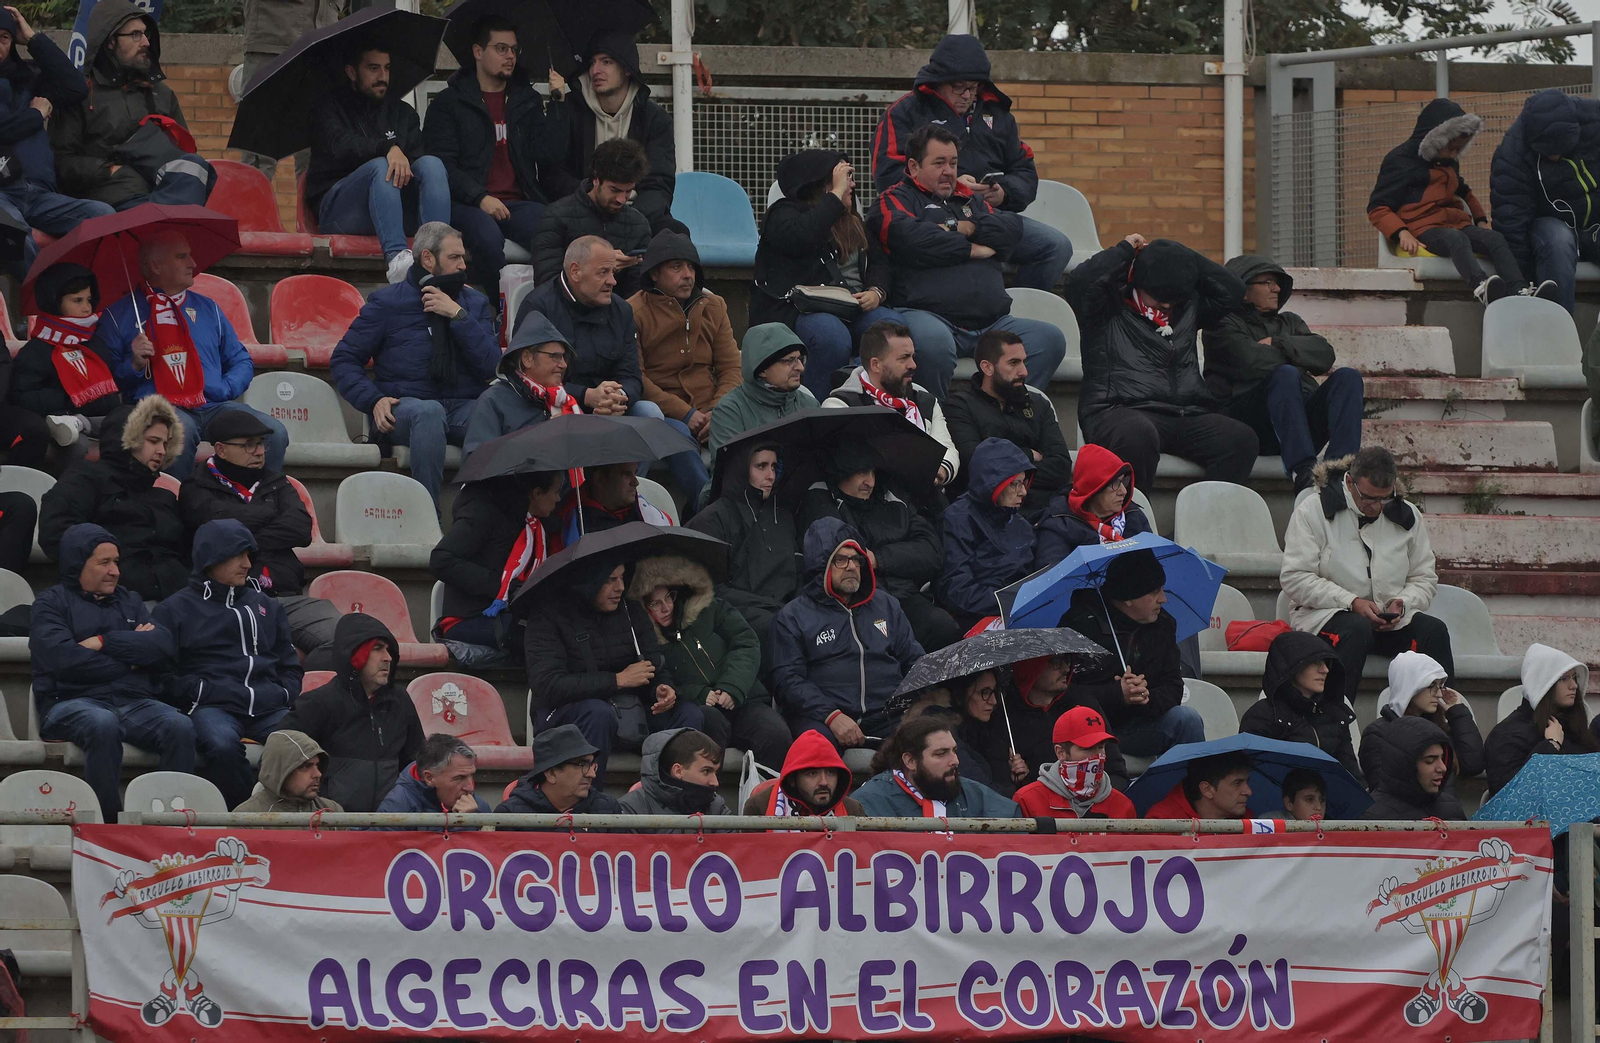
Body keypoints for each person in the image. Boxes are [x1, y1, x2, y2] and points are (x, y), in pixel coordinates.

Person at [869, 125, 1066, 401]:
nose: (948, 171)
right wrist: (971, 248)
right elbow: (911, 239)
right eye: (938, 163)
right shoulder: (893, 200)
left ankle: (1005, 415)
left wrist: (963, 228)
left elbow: (1009, 229)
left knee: (1047, 339)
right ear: (913, 167)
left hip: (991, 322)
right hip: (929, 316)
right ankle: (932, 422)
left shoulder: (969, 199)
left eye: (953, 163)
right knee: (932, 344)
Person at [871, 34, 1069, 292]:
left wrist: (1003, 192)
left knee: (1056, 246)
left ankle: (1018, 313)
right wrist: (951, 187)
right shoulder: (904, 112)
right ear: (937, 83)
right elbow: (887, 176)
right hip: (928, 216)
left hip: (990, 216)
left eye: (973, 87)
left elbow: (1025, 171)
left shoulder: (998, 115)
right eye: (958, 87)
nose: (966, 95)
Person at [330, 221, 500, 509]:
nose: (463, 265)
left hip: (460, 405)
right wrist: (374, 400)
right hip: (405, 408)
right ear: (428, 258)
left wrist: (457, 316)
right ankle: (426, 518)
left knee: (494, 413)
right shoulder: (387, 303)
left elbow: (492, 367)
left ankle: (475, 518)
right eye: (454, 257)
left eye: (463, 257)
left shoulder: (474, 303)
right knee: (429, 412)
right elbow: (344, 360)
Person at [93, 231, 289, 481]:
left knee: (275, 433)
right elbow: (105, 382)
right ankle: (177, 507)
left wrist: (223, 388)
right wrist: (134, 363)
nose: (193, 264)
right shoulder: (118, 315)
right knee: (179, 432)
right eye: (182, 257)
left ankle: (261, 502)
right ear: (155, 266)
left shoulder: (209, 309)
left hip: (213, 404)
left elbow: (241, 361)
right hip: (160, 406)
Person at [517, 235, 705, 495]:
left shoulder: (621, 310)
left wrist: (619, 395)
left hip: (614, 409)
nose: (613, 281)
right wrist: (587, 396)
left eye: (614, 272)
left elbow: (631, 374)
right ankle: (604, 500)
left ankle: (635, 500)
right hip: (558, 411)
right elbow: (528, 378)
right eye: (603, 273)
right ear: (575, 271)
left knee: (662, 423)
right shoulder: (539, 307)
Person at [1069, 234, 1257, 492]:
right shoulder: (1106, 303)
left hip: (1184, 413)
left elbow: (1233, 290)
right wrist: (1125, 250)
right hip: (1117, 409)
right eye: (1158, 296)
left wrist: (1181, 255)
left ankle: (1196, 524)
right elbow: (1078, 282)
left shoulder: (1188, 307)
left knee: (1241, 439)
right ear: (1139, 280)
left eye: (1174, 298)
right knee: (1137, 435)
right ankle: (1136, 522)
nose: (1167, 304)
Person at [29, 522, 191, 818]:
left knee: (179, 726)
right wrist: (130, 661)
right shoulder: (50, 604)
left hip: (132, 700)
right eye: (104, 562)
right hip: (68, 701)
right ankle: (109, 824)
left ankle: (168, 823)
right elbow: (65, 661)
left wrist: (103, 642)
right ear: (79, 564)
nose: (115, 571)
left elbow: (162, 645)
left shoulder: (129, 600)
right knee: (102, 724)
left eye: (116, 562)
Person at [1281, 447, 1451, 708]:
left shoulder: (1407, 515)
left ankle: (1444, 723)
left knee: (1434, 631)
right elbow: (1295, 578)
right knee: (1356, 629)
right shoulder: (1312, 511)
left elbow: (1425, 579)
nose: (1377, 507)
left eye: (1386, 498)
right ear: (1349, 482)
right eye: (1369, 498)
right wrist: (1352, 602)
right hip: (1325, 617)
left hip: (1388, 622)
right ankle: (1335, 720)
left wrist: (1402, 602)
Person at [152, 519, 301, 808]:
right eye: (238, 556)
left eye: (249, 556)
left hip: (268, 705)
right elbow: (162, 676)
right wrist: (200, 692)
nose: (247, 564)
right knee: (221, 747)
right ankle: (243, 820)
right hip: (213, 707)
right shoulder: (174, 610)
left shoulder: (267, 606)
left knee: (305, 748)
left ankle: (297, 825)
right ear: (211, 558)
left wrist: (283, 693)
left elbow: (290, 665)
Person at [524, 555, 705, 780]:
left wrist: (662, 688)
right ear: (589, 581)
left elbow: (655, 666)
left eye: (621, 577)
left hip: (630, 712)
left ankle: (671, 799)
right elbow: (548, 685)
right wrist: (617, 680)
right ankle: (587, 804)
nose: (620, 587)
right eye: (610, 579)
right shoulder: (549, 616)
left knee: (688, 713)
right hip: (566, 716)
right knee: (597, 712)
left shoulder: (631, 612)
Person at [422, 17, 564, 297]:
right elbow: (443, 166)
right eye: (501, 48)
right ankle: (495, 308)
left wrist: (558, 104)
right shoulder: (448, 104)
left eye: (513, 49)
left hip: (517, 201)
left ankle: (547, 307)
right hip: (468, 203)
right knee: (487, 239)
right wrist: (479, 197)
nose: (510, 56)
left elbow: (549, 154)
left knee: (553, 229)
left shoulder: (527, 100)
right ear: (478, 51)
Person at [179, 411, 339, 653]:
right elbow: (215, 532)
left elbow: (300, 529)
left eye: (261, 444)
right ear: (221, 450)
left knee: (346, 641)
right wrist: (268, 514)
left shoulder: (278, 482)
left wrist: (243, 539)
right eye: (248, 445)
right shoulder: (195, 487)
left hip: (285, 597)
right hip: (225, 601)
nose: (259, 451)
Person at [1371, 99, 1552, 306]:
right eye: (1451, 149)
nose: (1455, 155)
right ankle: (1481, 286)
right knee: (1456, 239)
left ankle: (1519, 289)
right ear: (1434, 140)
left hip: (1453, 223)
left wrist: (1481, 219)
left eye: (1459, 149)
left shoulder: (1448, 162)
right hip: (1422, 227)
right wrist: (1401, 232)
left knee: (1494, 239)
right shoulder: (1400, 162)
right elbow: (1378, 208)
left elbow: (1464, 193)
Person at [1205, 256, 1364, 491]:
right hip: (1251, 427)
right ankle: (1303, 472)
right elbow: (1250, 360)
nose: (1276, 288)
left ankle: (1338, 472)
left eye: (1277, 282)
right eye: (1267, 282)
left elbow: (1324, 355)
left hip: (1298, 421)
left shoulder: (1290, 322)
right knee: (1285, 374)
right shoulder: (1221, 324)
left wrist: (1278, 343)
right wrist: (1297, 357)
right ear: (1244, 290)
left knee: (1349, 378)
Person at [753, 150, 904, 398]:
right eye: (845, 178)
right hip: (803, 309)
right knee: (831, 336)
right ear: (823, 184)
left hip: (855, 306)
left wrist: (876, 292)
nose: (852, 185)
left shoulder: (852, 219)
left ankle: (869, 400)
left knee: (893, 331)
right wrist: (834, 197)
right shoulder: (783, 214)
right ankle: (817, 407)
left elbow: (879, 262)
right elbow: (802, 237)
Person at [767, 517, 924, 749]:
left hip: (887, 717)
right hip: (824, 717)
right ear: (820, 567)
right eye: (840, 560)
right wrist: (832, 716)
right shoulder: (793, 616)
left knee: (937, 738)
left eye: (856, 559)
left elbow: (915, 662)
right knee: (815, 745)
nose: (851, 566)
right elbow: (788, 681)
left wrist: (917, 705)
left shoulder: (887, 605)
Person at [630, 554, 792, 769]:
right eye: (655, 604)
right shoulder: (646, 641)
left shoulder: (710, 609)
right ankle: (711, 798)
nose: (666, 608)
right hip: (701, 709)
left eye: (669, 597)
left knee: (775, 735)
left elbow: (745, 642)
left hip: (744, 698)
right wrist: (700, 694)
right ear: (644, 608)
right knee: (707, 728)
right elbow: (661, 682)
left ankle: (770, 798)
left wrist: (732, 687)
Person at [306, 42, 450, 283]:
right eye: (373, 68)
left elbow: (416, 159)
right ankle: (398, 263)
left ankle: (439, 255)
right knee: (380, 167)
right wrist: (387, 149)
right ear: (352, 72)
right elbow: (342, 145)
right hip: (341, 211)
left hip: (393, 208)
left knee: (432, 164)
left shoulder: (402, 113)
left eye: (387, 68)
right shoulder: (328, 109)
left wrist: (400, 157)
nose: (383, 77)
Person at [51, 0, 214, 211]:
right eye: (135, 35)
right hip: (110, 198)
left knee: (195, 165)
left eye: (146, 34)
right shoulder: (79, 93)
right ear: (110, 41)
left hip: (168, 196)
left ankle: (161, 223)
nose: (146, 42)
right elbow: (62, 161)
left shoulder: (163, 94)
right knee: (170, 230)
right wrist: (109, 170)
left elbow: (181, 153)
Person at [800, 442, 958, 652]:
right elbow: (840, 561)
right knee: (886, 643)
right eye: (863, 472)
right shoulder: (821, 500)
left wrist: (878, 558)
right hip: (859, 603)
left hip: (906, 596)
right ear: (842, 472)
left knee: (944, 628)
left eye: (874, 473)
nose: (870, 482)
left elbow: (932, 552)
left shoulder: (893, 497)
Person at [0, 6, 113, 276]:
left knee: (104, 215)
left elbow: (74, 87)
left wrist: (33, 39)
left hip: (40, 194)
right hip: (2, 194)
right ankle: (46, 303)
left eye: (4, 37)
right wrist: (35, 115)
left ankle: (87, 296)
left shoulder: (28, 78)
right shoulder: (34, 103)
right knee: (12, 230)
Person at [39, 398, 189, 602]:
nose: (162, 451)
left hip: (175, 601)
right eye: (153, 441)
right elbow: (57, 533)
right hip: (109, 602)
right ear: (128, 439)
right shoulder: (85, 479)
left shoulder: (165, 496)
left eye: (165, 443)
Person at [1063, 549, 1206, 759]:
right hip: (1091, 732)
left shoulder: (1163, 625)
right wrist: (1117, 694)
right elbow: (1063, 693)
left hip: (1141, 725)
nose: (1163, 599)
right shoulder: (1079, 626)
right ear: (1129, 598)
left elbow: (1173, 685)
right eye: (1154, 591)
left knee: (1187, 718)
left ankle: (1194, 789)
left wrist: (1146, 697)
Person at [277, 612, 425, 812]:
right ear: (355, 655)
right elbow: (279, 761)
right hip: (333, 825)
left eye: (389, 650)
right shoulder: (317, 703)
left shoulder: (401, 701)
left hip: (390, 825)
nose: (388, 658)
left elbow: (418, 765)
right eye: (377, 649)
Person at [544, 30, 676, 235]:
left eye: (606, 62)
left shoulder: (654, 118)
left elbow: (659, 185)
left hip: (637, 213)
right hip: (583, 210)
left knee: (676, 233)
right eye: (592, 62)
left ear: (627, 69)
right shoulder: (570, 109)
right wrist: (590, 199)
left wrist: (631, 221)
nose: (595, 70)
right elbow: (553, 172)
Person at [1489, 89, 1600, 314]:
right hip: (1549, 224)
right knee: (1557, 241)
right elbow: (1511, 222)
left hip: (1594, 223)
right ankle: (1556, 336)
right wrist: (1519, 281)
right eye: (1548, 153)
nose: (1555, 157)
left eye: (1561, 150)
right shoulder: (1512, 156)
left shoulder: (1594, 122)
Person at [430, 471, 564, 656]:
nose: (558, 499)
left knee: (565, 630)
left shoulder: (534, 525)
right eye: (556, 491)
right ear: (537, 493)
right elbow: (441, 559)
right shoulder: (483, 513)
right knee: (546, 639)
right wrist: (503, 587)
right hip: (469, 617)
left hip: (510, 614)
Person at [631, 228, 741, 449]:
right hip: (665, 412)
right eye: (676, 267)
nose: (687, 274)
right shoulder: (632, 311)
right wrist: (685, 413)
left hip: (712, 410)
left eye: (691, 266)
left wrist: (716, 412)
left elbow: (731, 369)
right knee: (681, 438)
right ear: (654, 273)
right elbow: (636, 378)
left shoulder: (714, 306)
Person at [943, 329, 1071, 518]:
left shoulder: (1039, 404)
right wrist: (1028, 454)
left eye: (1023, 362)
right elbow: (976, 466)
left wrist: (1007, 474)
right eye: (1013, 363)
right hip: (984, 516)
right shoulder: (960, 406)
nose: (1024, 371)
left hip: (1044, 512)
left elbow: (1060, 467)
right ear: (987, 367)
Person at [824, 320, 959, 488]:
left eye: (912, 357)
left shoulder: (925, 401)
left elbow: (947, 450)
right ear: (876, 364)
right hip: (872, 502)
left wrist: (938, 471)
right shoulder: (841, 405)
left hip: (924, 499)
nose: (913, 365)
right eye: (904, 358)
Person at [687, 441, 799, 637]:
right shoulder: (714, 518)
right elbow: (709, 589)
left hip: (787, 609)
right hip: (740, 615)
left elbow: (800, 572)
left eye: (774, 467)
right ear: (742, 468)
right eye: (761, 466)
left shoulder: (783, 516)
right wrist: (773, 607)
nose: (770, 475)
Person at [8, 262, 120, 450]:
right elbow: (20, 397)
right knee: (78, 444)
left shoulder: (94, 341)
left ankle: (84, 423)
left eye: (89, 299)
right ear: (55, 304)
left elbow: (112, 391)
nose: (87, 308)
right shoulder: (36, 351)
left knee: (138, 421)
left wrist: (136, 364)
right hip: (62, 421)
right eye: (77, 301)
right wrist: (68, 396)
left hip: (103, 419)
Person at [938, 437, 1035, 632]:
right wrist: (1012, 601)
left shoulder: (1021, 524)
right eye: (1014, 484)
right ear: (994, 483)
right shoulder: (958, 519)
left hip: (1019, 610)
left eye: (1024, 482)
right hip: (978, 616)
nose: (1023, 491)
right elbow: (957, 591)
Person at [534, 138, 652, 296]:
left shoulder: (638, 224)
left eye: (628, 191)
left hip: (620, 315)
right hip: (569, 314)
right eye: (614, 190)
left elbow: (639, 291)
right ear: (596, 179)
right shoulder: (556, 217)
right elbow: (548, 284)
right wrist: (602, 266)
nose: (622, 199)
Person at [1240, 630, 1361, 783]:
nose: (1325, 670)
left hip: (1328, 801)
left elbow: (1351, 778)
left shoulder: (1335, 714)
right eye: (1315, 662)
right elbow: (1254, 779)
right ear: (1292, 666)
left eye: (1326, 663)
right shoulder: (1262, 716)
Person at [234, 0, 339, 176]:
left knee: (316, 159)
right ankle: (250, 203)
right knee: (260, 152)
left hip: (323, 44)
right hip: (274, 39)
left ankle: (311, 204)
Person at [1361, 651, 1483, 799]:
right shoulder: (1378, 734)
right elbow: (1383, 791)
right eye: (1432, 685)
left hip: (1446, 816)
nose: (1439, 694)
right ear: (1410, 688)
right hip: (1410, 819)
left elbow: (1473, 765)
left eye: (1440, 686)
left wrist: (1457, 712)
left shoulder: (1437, 728)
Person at [1004, 654, 1132, 791]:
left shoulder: (1084, 702)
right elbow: (1001, 790)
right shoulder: (1005, 718)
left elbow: (1116, 771)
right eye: (1056, 662)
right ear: (1030, 667)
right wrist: (1017, 781)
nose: (1066, 668)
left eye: (1067, 660)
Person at [853, 714, 1021, 818]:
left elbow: (1016, 828)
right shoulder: (872, 801)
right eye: (941, 753)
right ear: (910, 761)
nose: (955, 760)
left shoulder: (974, 794)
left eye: (954, 751)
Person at [1484, 642, 1595, 795]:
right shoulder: (1508, 734)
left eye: (1574, 677)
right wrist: (1550, 746)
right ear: (1542, 683)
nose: (1574, 685)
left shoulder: (1574, 728)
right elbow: (1510, 794)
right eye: (1564, 678)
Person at [462, 316, 579, 455]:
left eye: (564, 357)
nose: (563, 365)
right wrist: (542, 438)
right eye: (555, 356)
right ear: (527, 359)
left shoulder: (564, 402)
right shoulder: (493, 401)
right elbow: (476, 463)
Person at [1034, 443, 1151, 571]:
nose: (1123, 491)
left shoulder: (1133, 515)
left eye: (1124, 481)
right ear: (1093, 488)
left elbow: (1155, 566)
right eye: (1115, 483)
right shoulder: (1057, 526)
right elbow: (1054, 579)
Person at [1013, 705, 1138, 819]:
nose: (1097, 756)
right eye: (1087, 748)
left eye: (1101, 747)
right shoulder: (1028, 800)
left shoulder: (1123, 805)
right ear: (1060, 753)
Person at [708, 323, 817, 453]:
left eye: (800, 359)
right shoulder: (729, 412)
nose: (800, 367)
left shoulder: (810, 405)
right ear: (762, 370)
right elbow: (730, 470)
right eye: (790, 361)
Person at [496, 724, 624, 824]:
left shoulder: (608, 810)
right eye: (582, 765)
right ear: (551, 773)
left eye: (591, 765)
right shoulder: (511, 815)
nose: (592, 774)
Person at [617, 728, 732, 829]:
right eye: (706, 771)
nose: (715, 782)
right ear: (678, 770)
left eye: (716, 772)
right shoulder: (631, 808)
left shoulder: (717, 806)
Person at [742, 729, 864, 818]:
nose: (824, 782)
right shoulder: (759, 806)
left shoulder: (853, 810)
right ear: (792, 779)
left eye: (830, 772)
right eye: (812, 773)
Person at [373, 734, 491, 825]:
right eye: (459, 778)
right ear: (429, 778)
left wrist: (472, 822)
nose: (470, 787)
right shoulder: (397, 807)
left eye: (471, 775)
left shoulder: (478, 808)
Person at [1362, 717, 1460, 821]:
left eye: (1442, 758)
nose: (1443, 768)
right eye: (1430, 761)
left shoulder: (1451, 807)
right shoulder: (1372, 817)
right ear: (1404, 765)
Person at [552, 460, 670, 547]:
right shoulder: (571, 522)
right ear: (600, 479)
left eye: (635, 473)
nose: (636, 482)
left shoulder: (643, 510)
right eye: (626, 475)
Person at [950, 670, 1027, 798]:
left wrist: (1013, 778)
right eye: (984, 692)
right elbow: (984, 792)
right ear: (960, 695)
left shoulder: (993, 730)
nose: (993, 701)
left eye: (994, 691)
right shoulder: (949, 735)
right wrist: (1011, 789)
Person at [233, 729, 342, 814]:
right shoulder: (246, 818)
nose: (318, 774)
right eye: (305, 766)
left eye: (317, 765)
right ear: (280, 771)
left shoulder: (333, 811)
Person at [1144, 751, 1253, 820]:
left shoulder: (1248, 820)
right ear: (1207, 789)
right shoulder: (1162, 821)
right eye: (1237, 783)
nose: (1248, 791)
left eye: (1247, 782)